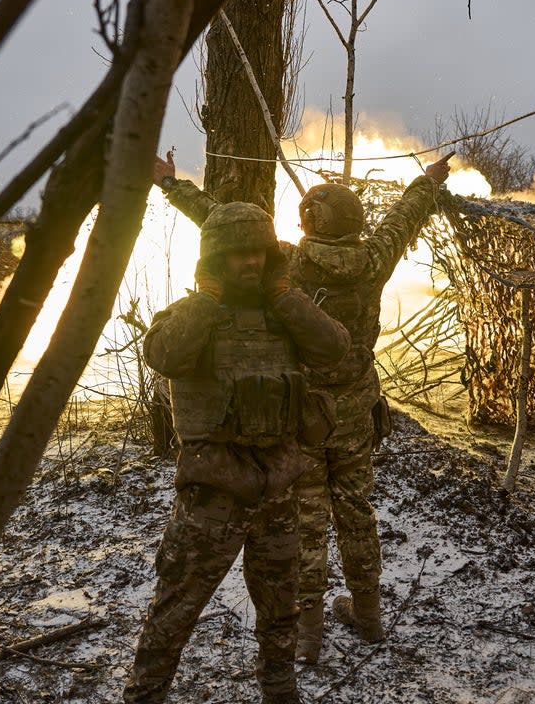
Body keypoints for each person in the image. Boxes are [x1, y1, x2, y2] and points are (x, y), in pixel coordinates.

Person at [152, 152, 450, 663]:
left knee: (308, 520)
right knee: (358, 512)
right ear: (355, 223)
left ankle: (309, 633)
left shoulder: (285, 260)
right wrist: (427, 181)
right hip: (357, 411)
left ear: (309, 222)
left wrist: (172, 185)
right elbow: (406, 215)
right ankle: (370, 615)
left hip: (302, 417)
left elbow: (220, 222)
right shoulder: (376, 258)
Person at [125, 200, 350, 704]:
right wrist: (206, 300)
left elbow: (335, 349)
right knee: (177, 606)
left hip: (278, 485)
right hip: (214, 493)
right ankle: (144, 695)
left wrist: (287, 298)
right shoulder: (193, 314)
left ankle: (280, 689)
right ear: (216, 258)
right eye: (237, 254)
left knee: (280, 606)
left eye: (257, 253)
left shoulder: (286, 313)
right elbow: (163, 354)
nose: (249, 262)